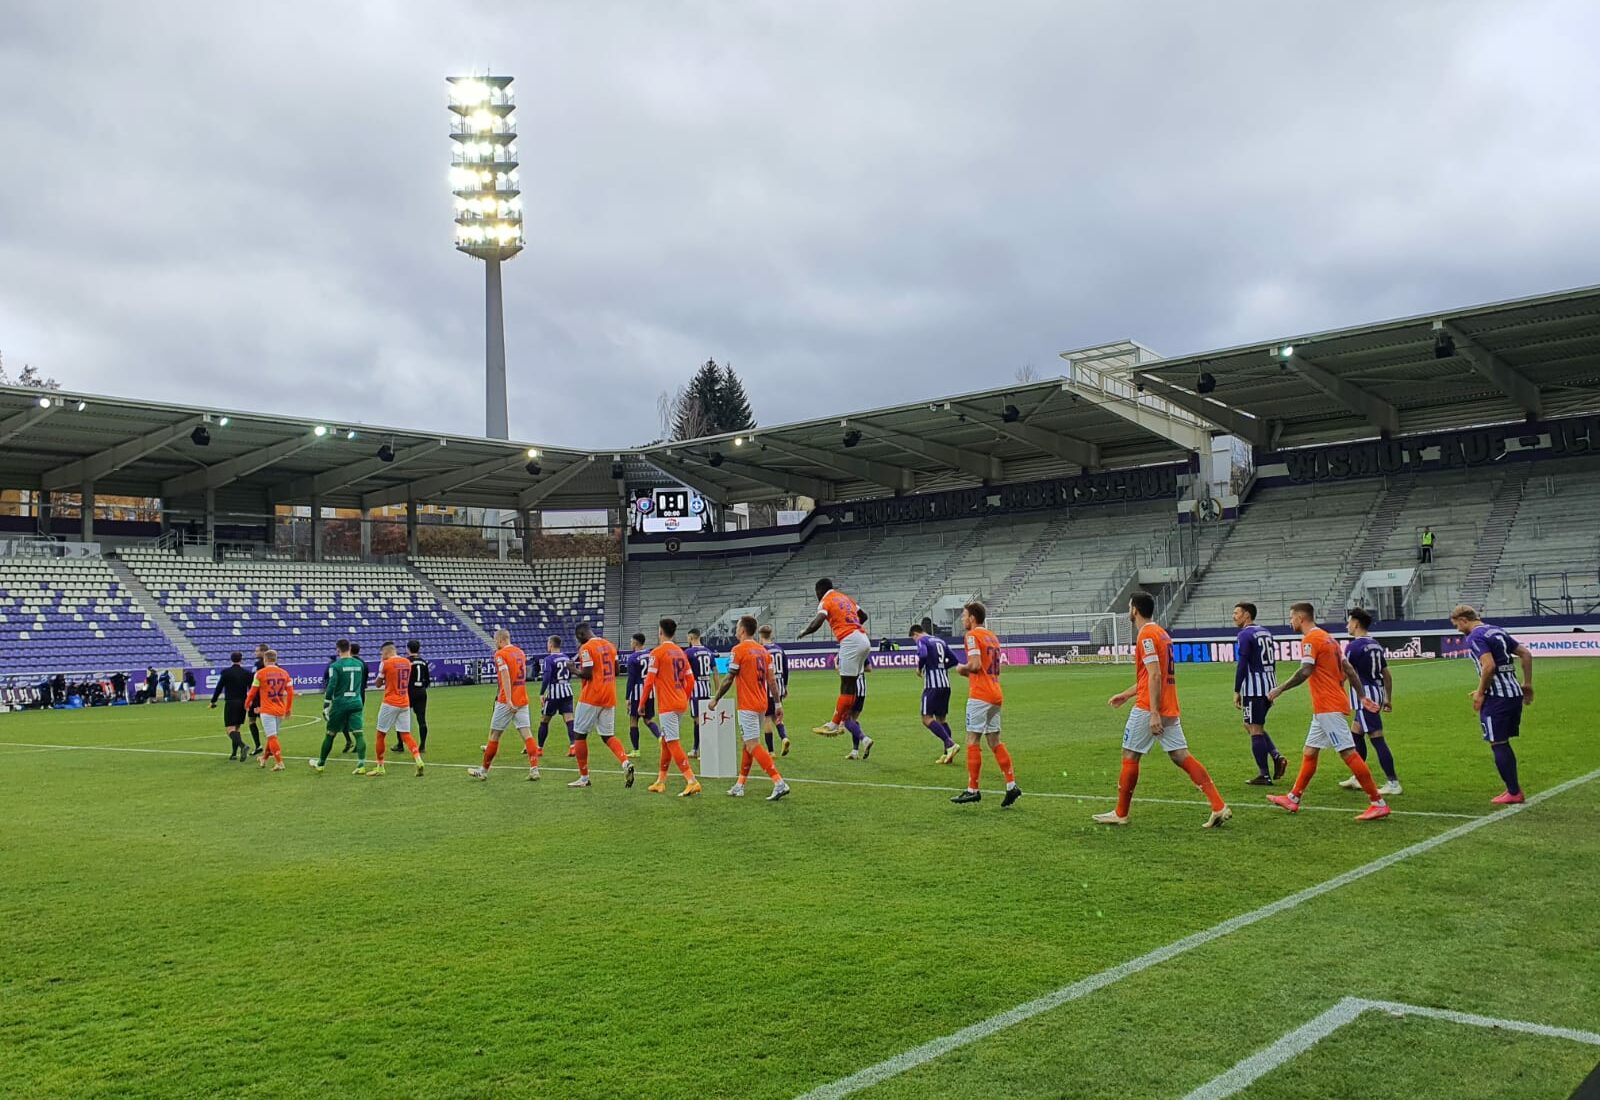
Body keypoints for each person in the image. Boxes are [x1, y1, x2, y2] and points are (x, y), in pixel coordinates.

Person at [1095, 592, 1230, 827]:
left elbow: (1156, 674)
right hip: (1169, 705)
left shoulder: (1146, 635)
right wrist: (1126, 694)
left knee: (1130, 754)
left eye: (1129, 606)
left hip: (1150, 706)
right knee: (1180, 756)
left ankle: (1120, 813)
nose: (1129, 610)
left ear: (1135, 610)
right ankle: (1218, 806)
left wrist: (1154, 713)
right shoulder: (1162, 633)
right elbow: (1153, 675)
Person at [1265, 602, 1391, 821]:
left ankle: (1377, 802)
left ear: (1301, 618)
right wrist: (1361, 696)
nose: (1290, 621)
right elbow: (1349, 670)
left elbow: (1305, 671)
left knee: (1348, 752)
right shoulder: (1328, 638)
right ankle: (1293, 798)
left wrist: (1279, 689)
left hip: (1328, 705)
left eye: (1291, 617)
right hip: (1326, 706)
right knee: (1310, 751)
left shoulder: (1311, 639)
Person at [1450, 604, 1534, 804]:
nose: (1457, 630)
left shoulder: (1475, 637)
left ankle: (1513, 792)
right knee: (1502, 741)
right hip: (1513, 693)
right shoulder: (1497, 630)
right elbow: (1526, 654)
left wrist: (1480, 693)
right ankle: (1513, 789)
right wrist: (1528, 684)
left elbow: (1489, 666)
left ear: (1463, 620)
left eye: (1456, 625)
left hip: (1497, 699)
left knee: (1498, 742)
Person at [950, 601, 1021, 807]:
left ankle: (973, 789)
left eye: (964, 616)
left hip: (980, 696)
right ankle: (1011, 785)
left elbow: (975, 665)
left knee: (972, 739)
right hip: (995, 693)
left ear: (972, 618)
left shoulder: (971, 636)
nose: (963, 619)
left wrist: (961, 669)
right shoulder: (992, 636)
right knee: (994, 740)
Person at [712, 615, 790, 800]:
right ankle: (740, 785)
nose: (735, 630)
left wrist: (715, 699)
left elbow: (729, 678)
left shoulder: (738, 650)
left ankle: (779, 782)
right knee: (748, 744)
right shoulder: (763, 651)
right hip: (762, 703)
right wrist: (778, 704)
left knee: (752, 744)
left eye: (737, 627)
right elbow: (771, 680)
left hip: (747, 705)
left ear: (742, 630)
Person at [799, 577, 871, 736]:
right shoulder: (845, 598)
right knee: (851, 685)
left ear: (819, 591)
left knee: (846, 684)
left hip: (850, 640)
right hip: (863, 639)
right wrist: (852, 625)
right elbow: (863, 616)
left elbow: (818, 621)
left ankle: (834, 724)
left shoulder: (826, 600)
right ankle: (841, 721)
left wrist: (805, 631)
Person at [1339, 609, 1401, 796]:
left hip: (1364, 697)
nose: (1347, 625)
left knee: (1377, 738)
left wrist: (1335, 689)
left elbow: (1346, 673)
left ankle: (1393, 782)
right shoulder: (1375, 644)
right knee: (1356, 734)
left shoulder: (1353, 647)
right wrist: (1387, 698)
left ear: (1356, 623)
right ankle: (1358, 776)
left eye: (1349, 621)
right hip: (1375, 693)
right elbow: (1386, 674)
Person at [467, 629, 542, 781]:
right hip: (522, 698)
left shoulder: (500, 654)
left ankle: (483, 771)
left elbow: (506, 676)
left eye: (496, 640)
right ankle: (534, 769)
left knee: (495, 735)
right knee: (527, 734)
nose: (495, 643)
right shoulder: (520, 652)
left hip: (506, 700)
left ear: (500, 639)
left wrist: (508, 700)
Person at [568, 622, 635, 788]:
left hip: (592, 696)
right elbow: (617, 671)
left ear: (581, 635)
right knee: (608, 735)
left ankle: (584, 778)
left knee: (579, 735)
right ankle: (625, 763)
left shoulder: (586, 648)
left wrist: (572, 669)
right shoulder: (609, 645)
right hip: (609, 695)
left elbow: (587, 673)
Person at [641, 618, 701, 796]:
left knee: (673, 742)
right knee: (667, 742)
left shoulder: (657, 653)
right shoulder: (681, 653)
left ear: (660, 632)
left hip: (667, 704)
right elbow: (690, 680)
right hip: (681, 701)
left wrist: (642, 703)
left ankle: (691, 780)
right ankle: (661, 781)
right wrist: (684, 696)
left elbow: (649, 681)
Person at [1233, 602, 1288, 785]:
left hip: (1253, 688)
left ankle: (1264, 775)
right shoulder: (1265, 632)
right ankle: (1276, 756)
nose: (1234, 616)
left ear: (1247, 615)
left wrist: (1237, 690)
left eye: (1237, 613)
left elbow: (1243, 663)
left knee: (1254, 728)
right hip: (1268, 685)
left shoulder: (1245, 634)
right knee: (1251, 725)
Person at [310, 640, 370, 774]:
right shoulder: (359, 664)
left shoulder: (335, 666)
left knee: (330, 734)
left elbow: (332, 684)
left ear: (338, 650)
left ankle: (321, 764)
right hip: (356, 701)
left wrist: (326, 703)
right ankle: (361, 765)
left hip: (340, 703)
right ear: (349, 648)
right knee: (359, 734)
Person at [369, 641, 425, 777]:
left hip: (390, 702)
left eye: (382, 653)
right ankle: (418, 759)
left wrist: (382, 668)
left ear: (387, 652)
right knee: (406, 734)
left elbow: (377, 684)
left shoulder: (386, 663)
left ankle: (380, 766)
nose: (382, 655)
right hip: (404, 702)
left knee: (381, 734)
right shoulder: (407, 662)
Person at [909, 623, 960, 764]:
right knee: (941, 719)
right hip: (945, 685)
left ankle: (950, 744)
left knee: (926, 718)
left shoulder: (922, 640)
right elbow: (955, 660)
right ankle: (948, 754)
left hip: (932, 685)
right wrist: (942, 667)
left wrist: (919, 669)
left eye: (913, 639)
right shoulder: (940, 641)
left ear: (916, 634)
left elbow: (924, 655)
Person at [244, 650, 294, 772]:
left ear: (265, 660)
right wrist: (288, 709)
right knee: (272, 736)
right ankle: (264, 758)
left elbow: (252, 691)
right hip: (280, 708)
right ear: (275, 659)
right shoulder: (284, 673)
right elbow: (291, 693)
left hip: (267, 709)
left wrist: (247, 703)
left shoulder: (260, 673)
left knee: (272, 737)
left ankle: (279, 762)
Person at [210, 651, 255, 762]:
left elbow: (219, 687)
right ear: (241, 659)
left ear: (231, 659)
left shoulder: (226, 672)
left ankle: (243, 746)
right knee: (237, 728)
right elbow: (252, 689)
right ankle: (234, 754)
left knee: (230, 729)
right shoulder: (247, 673)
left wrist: (213, 701)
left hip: (231, 702)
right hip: (243, 702)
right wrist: (251, 702)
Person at [537, 636, 576, 760]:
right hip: (567, 690)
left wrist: (542, 693)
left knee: (544, 720)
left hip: (554, 692)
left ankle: (539, 748)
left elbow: (547, 676)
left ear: (551, 644)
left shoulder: (549, 659)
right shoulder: (566, 657)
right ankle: (573, 746)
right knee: (569, 719)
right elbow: (570, 672)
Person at [683, 629, 719, 759]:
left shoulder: (688, 653)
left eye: (688, 638)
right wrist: (718, 690)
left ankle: (701, 750)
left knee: (699, 720)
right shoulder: (708, 652)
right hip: (706, 689)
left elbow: (682, 672)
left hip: (695, 690)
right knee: (702, 719)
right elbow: (715, 672)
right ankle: (696, 748)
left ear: (691, 637)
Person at [624, 632, 661, 754]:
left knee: (633, 719)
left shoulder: (633, 658)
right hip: (650, 691)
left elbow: (631, 679)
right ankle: (660, 737)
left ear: (635, 642)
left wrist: (627, 697)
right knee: (648, 719)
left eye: (631, 641)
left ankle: (636, 750)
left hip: (637, 692)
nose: (630, 643)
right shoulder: (651, 654)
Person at [757, 625, 790, 755]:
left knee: (767, 718)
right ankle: (784, 737)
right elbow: (786, 669)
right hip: (779, 686)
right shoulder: (779, 649)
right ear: (771, 634)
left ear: (760, 635)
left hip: (767, 687)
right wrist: (785, 686)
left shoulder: (761, 650)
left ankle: (771, 751)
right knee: (776, 714)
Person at [842, 654, 875, 760]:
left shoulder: (845, 653)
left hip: (851, 690)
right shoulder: (862, 653)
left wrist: (835, 663)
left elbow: (840, 670)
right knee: (853, 720)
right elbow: (869, 668)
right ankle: (855, 751)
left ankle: (864, 739)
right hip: (862, 690)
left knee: (846, 720)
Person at [407, 640, 431, 753]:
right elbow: (427, 679)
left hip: (409, 691)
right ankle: (423, 745)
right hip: (421, 691)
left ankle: (400, 744)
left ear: (408, 649)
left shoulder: (406, 662)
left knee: (402, 719)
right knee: (422, 720)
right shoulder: (423, 662)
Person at [245, 644, 268, 755]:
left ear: (263, 652)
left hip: (260, 698)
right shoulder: (260, 664)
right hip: (257, 697)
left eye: (257, 651)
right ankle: (259, 745)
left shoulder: (261, 665)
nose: (255, 653)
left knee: (264, 722)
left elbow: (259, 683)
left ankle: (268, 746)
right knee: (252, 720)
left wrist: (257, 702)